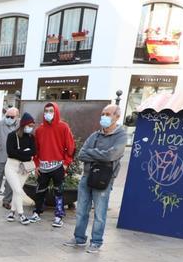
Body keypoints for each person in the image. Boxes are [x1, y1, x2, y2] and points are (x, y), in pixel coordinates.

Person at [64, 104, 127, 253]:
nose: (104, 117)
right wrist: (101, 154)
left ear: (117, 117)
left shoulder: (121, 136)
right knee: (81, 210)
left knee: (99, 213)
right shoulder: (95, 135)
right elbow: (81, 154)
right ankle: (79, 238)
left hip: (104, 179)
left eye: (108, 114)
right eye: (103, 114)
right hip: (87, 176)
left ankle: (96, 242)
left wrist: (94, 153)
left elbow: (112, 155)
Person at [33, 102, 75, 228]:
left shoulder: (63, 127)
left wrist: (66, 164)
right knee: (40, 190)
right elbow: (36, 150)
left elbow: (71, 147)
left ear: (56, 111)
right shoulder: (39, 130)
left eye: (51, 111)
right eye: (46, 111)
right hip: (43, 167)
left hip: (58, 166)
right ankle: (37, 212)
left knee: (59, 192)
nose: (48, 114)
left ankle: (58, 216)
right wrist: (36, 165)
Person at [4, 113, 37, 225]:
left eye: (32, 125)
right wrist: (25, 153)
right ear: (24, 124)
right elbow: (10, 152)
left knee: (16, 191)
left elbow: (33, 152)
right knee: (18, 190)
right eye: (29, 125)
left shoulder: (32, 137)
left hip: (24, 168)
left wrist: (21, 153)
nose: (31, 128)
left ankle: (12, 212)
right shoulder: (12, 136)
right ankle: (21, 214)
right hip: (11, 166)